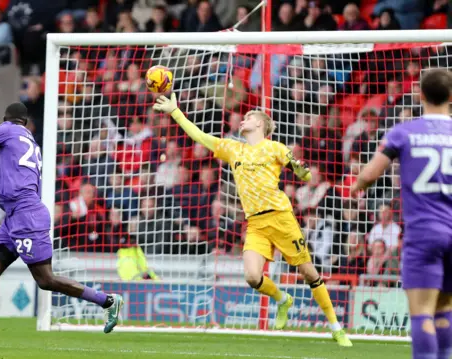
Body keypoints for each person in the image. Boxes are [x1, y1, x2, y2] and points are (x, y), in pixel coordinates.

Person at [152, 94, 352, 347]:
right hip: (255, 224)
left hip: (281, 219)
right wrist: (175, 111)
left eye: (249, 117)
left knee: (308, 272)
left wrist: (302, 171)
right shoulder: (233, 149)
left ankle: (336, 327)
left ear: (261, 124)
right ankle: (282, 300)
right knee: (251, 276)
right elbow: (200, 137)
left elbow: (305, 174)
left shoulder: (275, 147)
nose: (243, 119)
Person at [0, 103, 123, 349]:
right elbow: (19, 194)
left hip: (26, 217)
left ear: (6, 119)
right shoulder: (30, 145)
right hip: (16, 216)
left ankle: (108, 301)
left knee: (45, 280)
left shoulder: (6, 130)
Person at [352, 69, 452, 359]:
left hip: (423, 234)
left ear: (420, 95)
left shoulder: (403, 132)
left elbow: (370, 174)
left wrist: (358, 184)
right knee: (445, 309)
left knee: (422, 313)